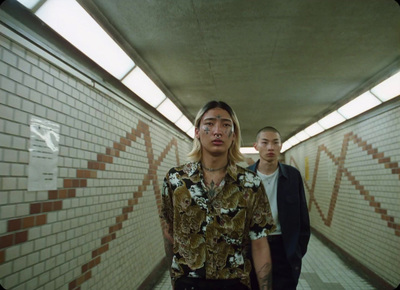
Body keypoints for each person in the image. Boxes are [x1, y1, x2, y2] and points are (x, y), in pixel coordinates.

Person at [161, 101, 276, 290]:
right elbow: (168, 232)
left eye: (225, 125)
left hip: (234, 282)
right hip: (188, 282)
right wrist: (175, 279)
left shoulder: (250, 183)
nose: (217, 131)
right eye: (210, 123)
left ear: (234, 135)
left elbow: (259, 241)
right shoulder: (175, 180)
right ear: (197, 132)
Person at [248, 126, 311, 290]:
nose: (270, 147)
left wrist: (296, 251)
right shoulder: (245, 177)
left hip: (284, 247)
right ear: (256, 146)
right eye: (265, 142)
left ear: (281, 146)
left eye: (275, 143)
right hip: (253, 245)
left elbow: (303, 217)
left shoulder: (292, 176)